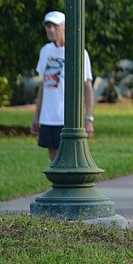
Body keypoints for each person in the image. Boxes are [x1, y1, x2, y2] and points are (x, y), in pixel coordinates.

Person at [30, 11, 94, 162]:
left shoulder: (78, 52)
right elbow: (42, 86)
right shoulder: (45, 51)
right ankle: (56, 185)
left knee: (67, 156)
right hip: (48, 117)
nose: (51, 30)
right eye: (48, 26)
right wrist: (37, 116)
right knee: (53, 155)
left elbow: (88, 86)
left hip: (67, 117)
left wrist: (88, 118)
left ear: (65, 27)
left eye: (55, 26)